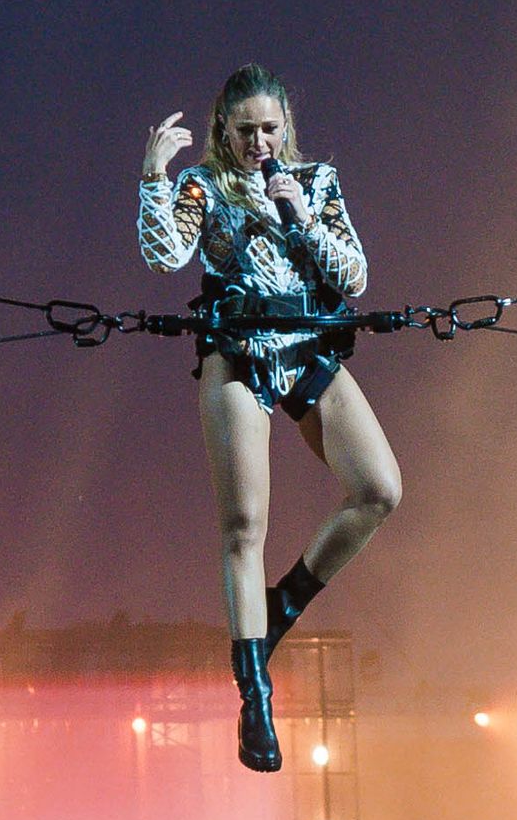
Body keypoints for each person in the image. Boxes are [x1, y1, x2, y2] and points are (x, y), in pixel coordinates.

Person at [136, 68, 399, 773]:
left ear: (286, 127)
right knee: (243, 527)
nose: (259, 143)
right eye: (245, 130)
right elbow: (165, 257)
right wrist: (154, 178)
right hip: (238, 354)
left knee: (380, 489)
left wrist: (303, 217)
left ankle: (281, 605)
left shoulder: (316, 182)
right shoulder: (204, 186)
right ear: (226, 130)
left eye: (269, 129)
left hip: (309, 348)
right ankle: (254, 695)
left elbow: (355, 279)